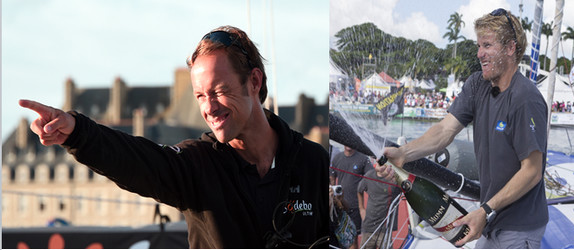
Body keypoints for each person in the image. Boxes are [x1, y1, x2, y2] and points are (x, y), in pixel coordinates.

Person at [18, 26, 331, 248]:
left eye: (219, 91)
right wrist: (77, 131)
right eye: (199, 96)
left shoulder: (313, 161)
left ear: (254, 81)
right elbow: (136, 160)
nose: (208, 107)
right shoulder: (198, 165)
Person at [378, 8, 549, 249]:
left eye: (487, 45)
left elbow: (532, 171)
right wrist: (403, 153)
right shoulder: (477, 84)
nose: (479, 54)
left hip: (518, 226)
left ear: (510, 48)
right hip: (491, 220)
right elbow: (444, 130)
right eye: (479, 46)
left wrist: (486, 209)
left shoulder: (525, 98)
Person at [330, 146, 371, 248]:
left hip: (355, 207)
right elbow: (332, 178)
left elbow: (371, 177)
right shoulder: (337, 158)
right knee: (337, 238)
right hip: (340, 207)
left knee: (353, 239)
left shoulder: (363, 158)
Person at [356, 168, 402, 248]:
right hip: (369, 227)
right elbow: (359, 190)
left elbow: (409, 189)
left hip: (385, 229)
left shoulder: (395, 178)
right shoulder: (369, 176)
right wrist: (361, 209)